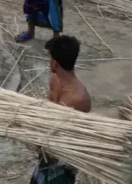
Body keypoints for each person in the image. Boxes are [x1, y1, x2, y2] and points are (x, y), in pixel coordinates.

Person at [30, 35, 91, 184]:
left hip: (62, 159)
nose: (48, 61)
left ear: (55, 63)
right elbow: (48, 108)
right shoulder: (54, 79)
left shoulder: (79, 99)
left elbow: (68, 135)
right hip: (45, 154)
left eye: (50, 58)